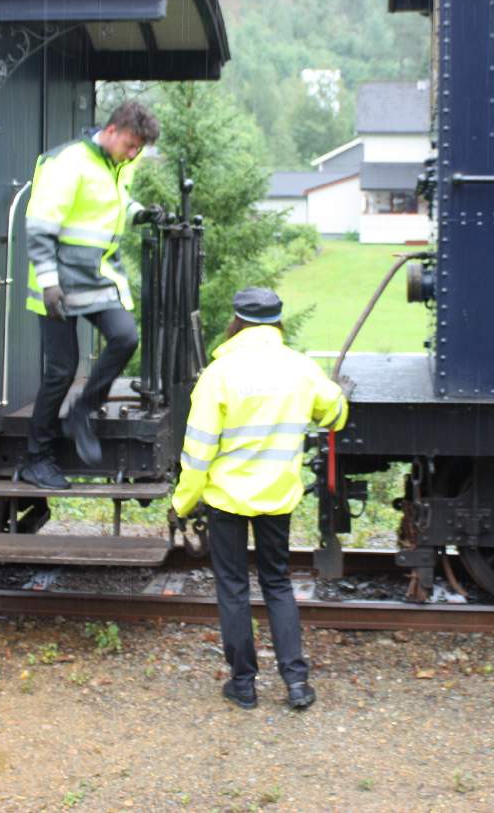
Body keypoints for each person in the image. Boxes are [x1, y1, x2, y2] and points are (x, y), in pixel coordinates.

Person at [171, 288, 349, 710]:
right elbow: (336, 412)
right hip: (277, 498)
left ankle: (244, 685)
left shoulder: (220, 373)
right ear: (277, 322)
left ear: (236, 323)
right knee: (278, 584)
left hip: (226, 501)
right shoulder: (299, 368)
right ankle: (296, 683)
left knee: (232, 587)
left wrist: (182, 503)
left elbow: (197, 451)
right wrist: (325, 409)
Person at [16, 100, 164, 489]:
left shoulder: (118, 163)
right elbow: (40, 226)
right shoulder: (68, 163)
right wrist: (48, 282)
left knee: (125, 337)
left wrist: (140, 214)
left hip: (95, 278)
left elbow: (111, 205)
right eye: (131, 145)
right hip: (58, 284)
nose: (134, 154)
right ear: (111, 130)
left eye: (138, 150)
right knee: (61, 371)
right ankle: (37, 459)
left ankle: (82, 411)